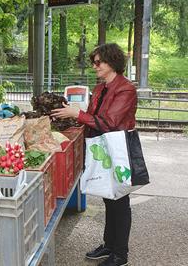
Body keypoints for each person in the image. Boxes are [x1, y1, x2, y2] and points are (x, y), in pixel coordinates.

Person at [51, 43, 136, 266]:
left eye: (98, 62)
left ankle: (120, 254)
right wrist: (70, 113)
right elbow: (91, 117)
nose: (94, 66)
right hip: (101, 148)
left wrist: (77, 113)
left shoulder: (125, 89)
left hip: (117, 149)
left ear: (112, 62)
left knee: (119, 201)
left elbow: (110, 122)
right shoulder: (100, 88)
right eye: (94, 62)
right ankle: (109, 245)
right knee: (109, 198)